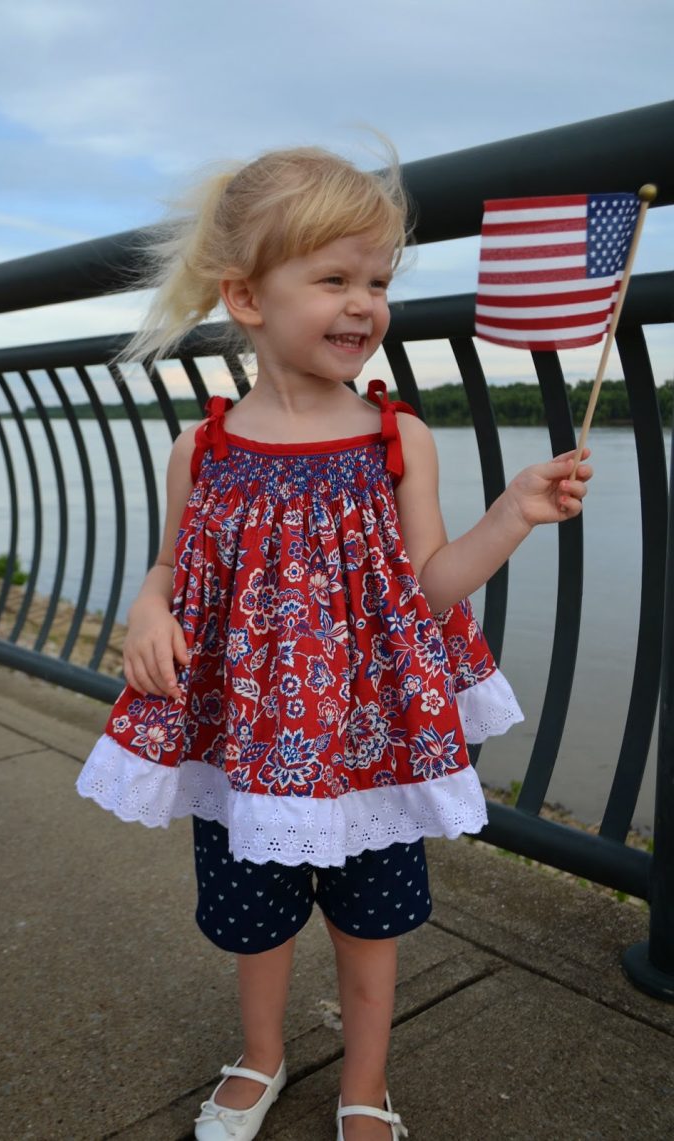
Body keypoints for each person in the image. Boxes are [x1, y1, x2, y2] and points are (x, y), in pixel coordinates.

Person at [77, 146, 591, 1141]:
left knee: (373, 919)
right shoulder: (206, 446)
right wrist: (149, 611)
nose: (363, 304)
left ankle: (365, 1082)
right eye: (333, 278)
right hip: (249, 741)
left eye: (378, 282)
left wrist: (514, 512)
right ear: (247, 296)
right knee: (253, 918)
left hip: (367, 740)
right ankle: (261, 1056)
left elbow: (430, 585)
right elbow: (169, 567)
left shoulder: (398, 438)